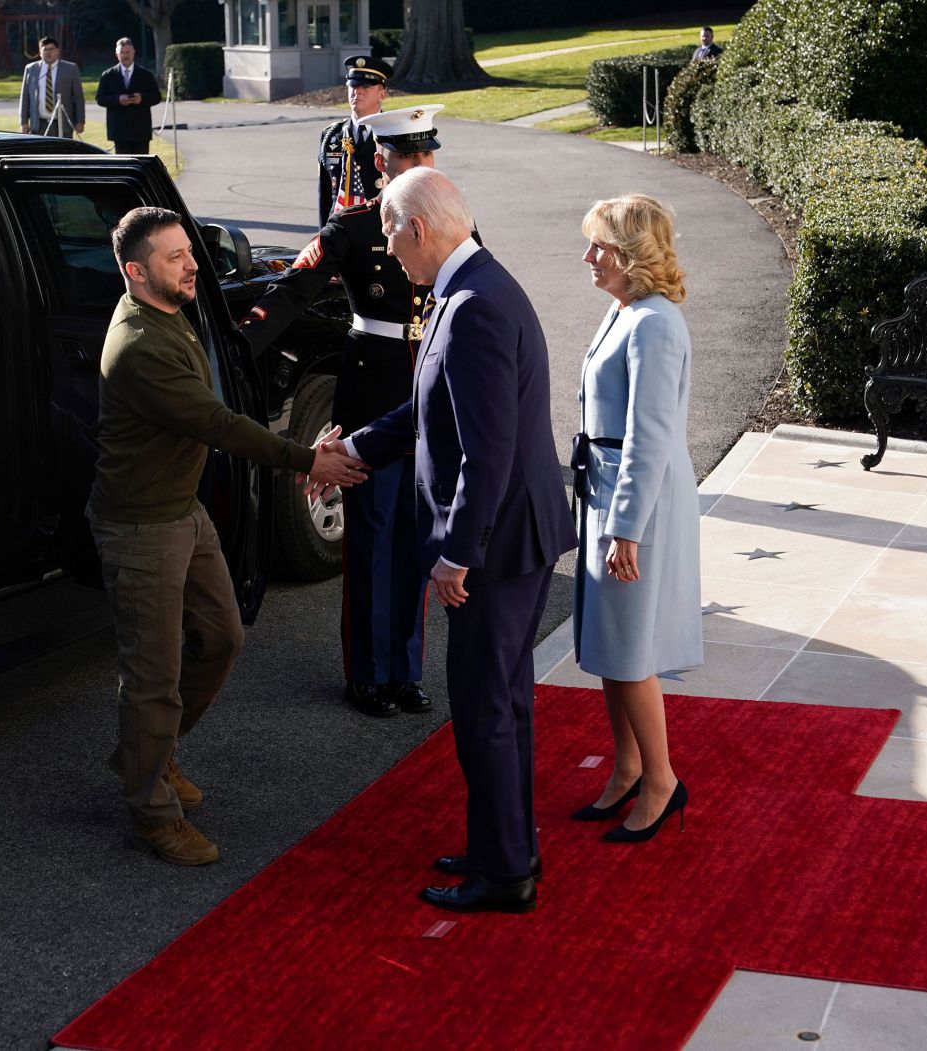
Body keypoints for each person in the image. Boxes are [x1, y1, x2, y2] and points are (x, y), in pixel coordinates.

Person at [90, 206, 366, 867]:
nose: (192, 264)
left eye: (191, 250)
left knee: (222, 635)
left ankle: (147, 752)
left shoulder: (168, 309)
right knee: (152, 674)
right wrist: (308, 458)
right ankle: (152, 811)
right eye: (175, 257)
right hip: (140, 525)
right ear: (136, 272)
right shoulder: (141, 345)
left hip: (179, 509)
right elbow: (218, 423)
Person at [331, 169, 574, 913]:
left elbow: (487, 453)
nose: (391, 256)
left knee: (484, 708)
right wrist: (357, 448)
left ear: (419, 230)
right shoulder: (472, 287)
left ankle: (504, 872)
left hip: (495, 548)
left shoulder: (473, 306)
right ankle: (507, 843)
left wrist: (456, 554)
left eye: (392, 241)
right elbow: (424, 408)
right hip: (512, 536)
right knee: (502, 701)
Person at [242, 105, 446, 719]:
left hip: (426, 398)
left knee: (416, 540)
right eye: (408, 158)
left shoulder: (453, 221)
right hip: (372, 395)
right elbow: (291, 292)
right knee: (372, 540)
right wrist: (231, 349)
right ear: (383, 162)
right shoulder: (354, 227)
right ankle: (367, 671)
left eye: (426, 156)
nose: (420, 167)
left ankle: (405, 669)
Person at [570, 194, 702, 844]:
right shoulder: (625, 309)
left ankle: (662, 780)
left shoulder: (653, 322)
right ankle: (627, 767)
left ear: (632, 255)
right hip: (607, 487)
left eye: (600, 246)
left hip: (633, 497)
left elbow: (648, 435)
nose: (589, 257)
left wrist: (626, 526)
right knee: (609, 643)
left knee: (630, 649)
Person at [317, 56, 391, 227]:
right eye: (353, 85)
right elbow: (325, 194)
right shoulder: (331, 136)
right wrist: (323, 236)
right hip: (339, 232)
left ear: (382, 94)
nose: (357, 91)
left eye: (366, 86)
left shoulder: (394, 134)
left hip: (378, 232)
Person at [95, 37, 161, 155]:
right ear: (117, 54)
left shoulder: (146, 75)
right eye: (122, 52)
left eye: (128, 52)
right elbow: (100, 99)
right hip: (119, 130)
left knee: (142, 165)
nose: (125, 55)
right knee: (123, 167)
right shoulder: (107, 75)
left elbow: (157, 96)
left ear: (134, 52)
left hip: (141, 129)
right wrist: (118, 99)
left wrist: (142, 98)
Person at [19, 36, 84, 137]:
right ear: (40, 52)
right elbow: (25, 98)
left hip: (63, 124)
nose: (48, 52)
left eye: (51, 49)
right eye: (45, 49)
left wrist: (80, 121)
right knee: (41, 153)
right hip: (38, 125)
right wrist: (23, 122)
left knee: (62, 152)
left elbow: (79, 97)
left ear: (58, 51)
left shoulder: (71, 69)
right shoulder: (31, 69)